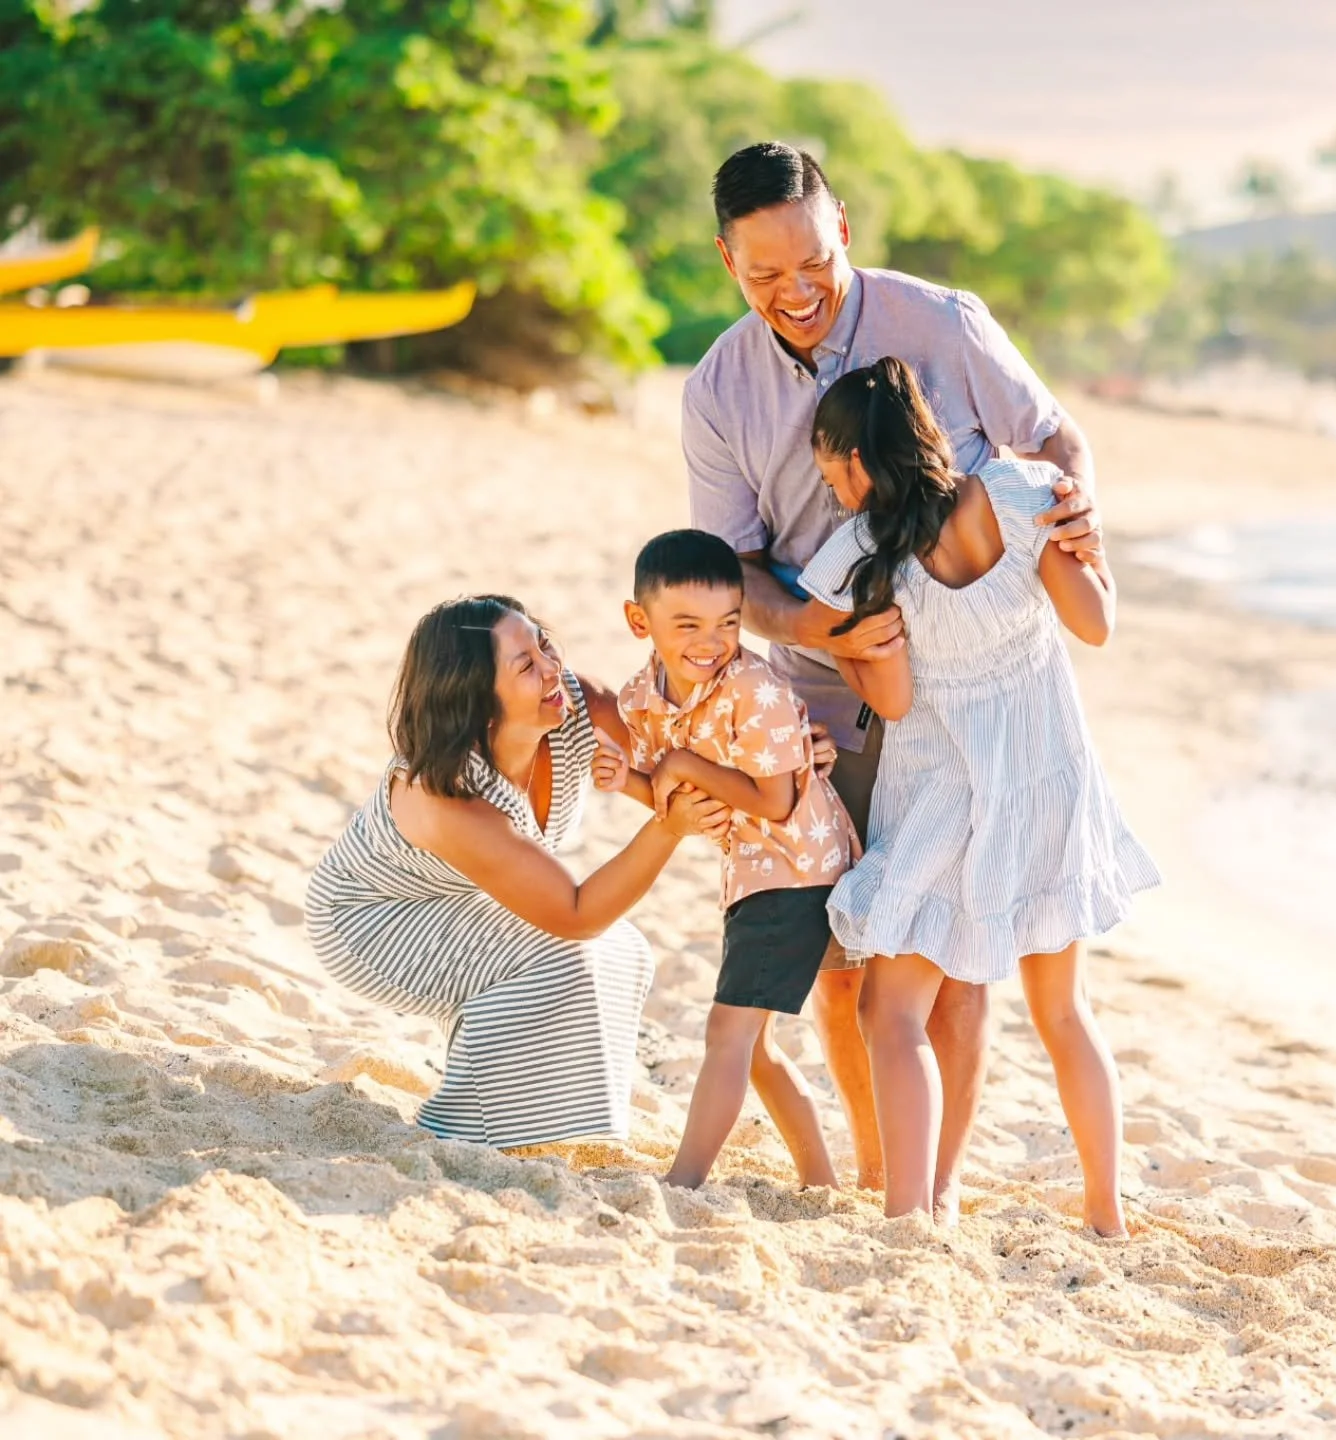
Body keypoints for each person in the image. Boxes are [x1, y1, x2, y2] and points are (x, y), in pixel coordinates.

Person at [683, 140, 1104, 1202]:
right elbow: (735, 566)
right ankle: (883, 1177)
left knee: (951, 971)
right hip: (826, 704)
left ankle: (936, 1194)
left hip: (971, 714)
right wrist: (831, 638)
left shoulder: (945, 323)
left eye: (813, 263)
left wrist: (1081, 516)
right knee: (844, 964)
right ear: (727, 261)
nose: (797, 292)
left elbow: (1055, 437)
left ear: (844, 235)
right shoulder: (717, 389)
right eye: (766, 273)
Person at [798, 358, 1160, 1234]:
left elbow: (888, 702)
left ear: (858, 458)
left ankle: (910, 1209)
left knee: (893, 1014)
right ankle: (1105, 1215)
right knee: (1064, 1013)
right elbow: (1096, 625)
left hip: (939, 801)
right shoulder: (1022, 492)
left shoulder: (862, 553)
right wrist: (1085, 543)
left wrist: (854, 649)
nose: (833, 494)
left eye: (831, 473)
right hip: (1045, 782)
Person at [304, 594, 732, 1149]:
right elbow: (574, 916)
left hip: (461, 893)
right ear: (479, 700)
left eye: (544, 644)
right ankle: (458, 1125)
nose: (552, 669)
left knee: (622, 949)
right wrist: (668, 829)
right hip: (369, 919)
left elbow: (693, 758)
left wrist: (790, 749)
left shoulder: (577, 705)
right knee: (570, 953)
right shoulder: (444, 795)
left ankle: (547, 1116)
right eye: (526, 666)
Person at [594, 530, 859, 1189]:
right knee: (757, 1049)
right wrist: (621, 777)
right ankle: (820, 1180)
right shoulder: (641, 700)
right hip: (750, 872)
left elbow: (773, 803)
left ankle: (682, 1182)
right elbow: (668, 796)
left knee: (728, 1032)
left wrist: (683, 762)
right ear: (639, 621)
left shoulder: (754, 688)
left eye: (729, 623)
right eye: (687, 625)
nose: (710, 643)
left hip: (797, 869)